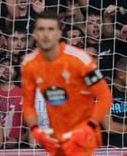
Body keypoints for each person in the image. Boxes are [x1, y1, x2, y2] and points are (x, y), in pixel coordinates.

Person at [21, 10, 113, 156]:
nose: (46, 34)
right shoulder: (29, 64)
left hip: (83, 139)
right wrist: (35, 130)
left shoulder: (81, 60)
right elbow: (28, 104)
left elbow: (105, 97)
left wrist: (88, 128)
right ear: (34, 34)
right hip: (54, 140)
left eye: (50, 29)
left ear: (58, 34)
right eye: (41, 29)